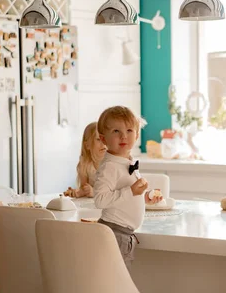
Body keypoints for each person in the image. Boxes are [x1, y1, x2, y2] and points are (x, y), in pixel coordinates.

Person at [93, 106, 163, 269]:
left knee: (117, 281)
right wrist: (131, 191)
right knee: (115, 283)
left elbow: (123, 198)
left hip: (123, 233)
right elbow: (100, 201)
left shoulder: (126, 161)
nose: (124, 136)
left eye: (129, 130)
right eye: (116, 131)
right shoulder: (110, 166)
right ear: (103, 139)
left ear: (137, 135)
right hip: (115, 233)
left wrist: (145, 198)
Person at [64, 122, 106, 198]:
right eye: (98, 139)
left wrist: (94, 192)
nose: (103, 142)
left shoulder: (111, 163)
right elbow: (84, 188)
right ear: (87, 145)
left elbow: (114, 190)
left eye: (105, 138)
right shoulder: (85, 164)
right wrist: (77, 193)